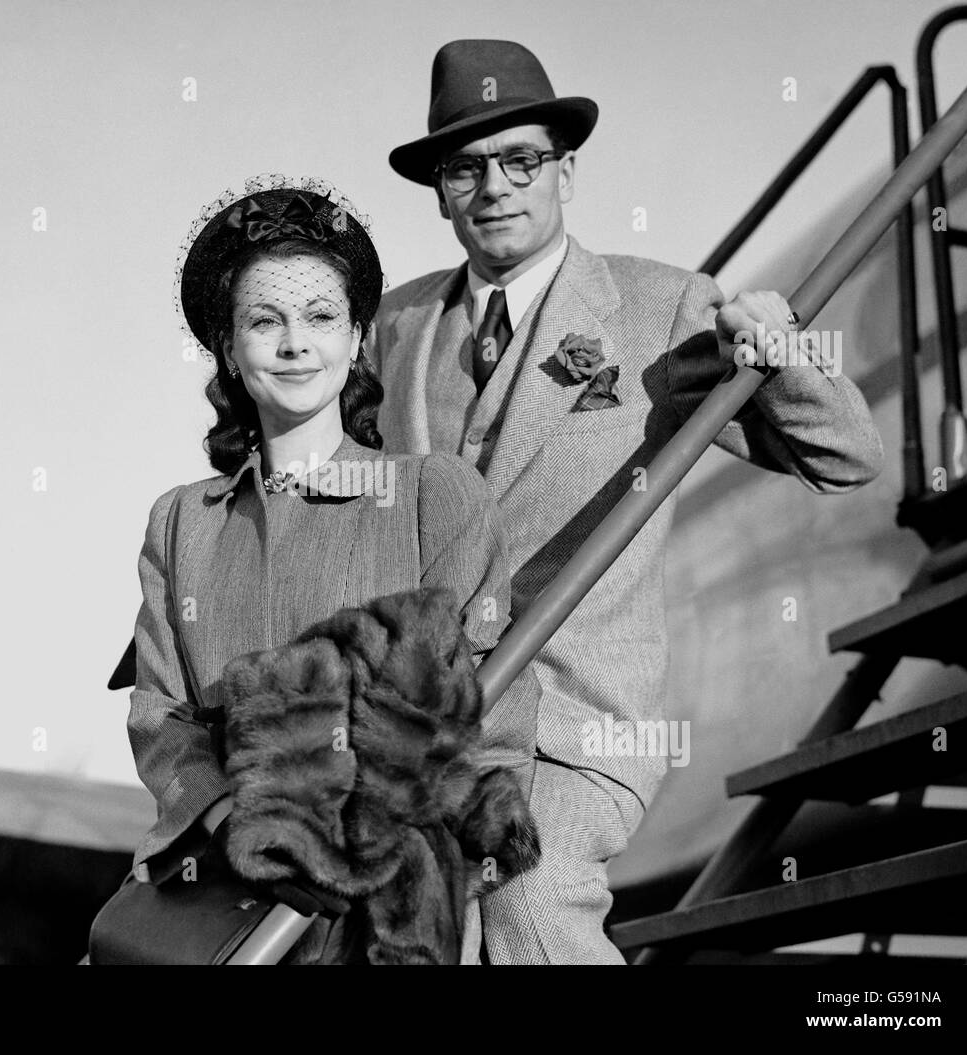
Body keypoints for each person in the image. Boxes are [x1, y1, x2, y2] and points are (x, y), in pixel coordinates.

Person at [370, 40, 885, 964]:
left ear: (566, 169)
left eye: (522, 159)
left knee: (529, 905)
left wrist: (784, 354)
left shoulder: (659, 308)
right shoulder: (396, 325)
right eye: (465, 169)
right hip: (431, 727)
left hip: (578, 720)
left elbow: (848, 457)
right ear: (440, 191)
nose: (496, 187)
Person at [121, 179, 539, 959]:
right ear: (227, 348)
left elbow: (495, 711)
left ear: (355, 340)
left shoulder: (435, 496)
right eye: (264, 321)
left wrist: (385, 868)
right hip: (226, 906)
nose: (295, 344)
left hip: (388, 922)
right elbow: (159, 714)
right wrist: (241, 825)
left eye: (320, 318)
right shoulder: (181, 521)